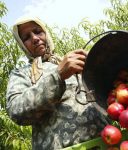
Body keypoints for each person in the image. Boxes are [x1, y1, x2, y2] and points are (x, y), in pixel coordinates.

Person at [6, 16, 108, 150]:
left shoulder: (71, 61)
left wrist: (97, 67)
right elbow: (16, 110)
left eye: (37, 31)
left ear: (46, 33)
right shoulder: (23, 73)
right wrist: (58, 76)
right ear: (22, 44)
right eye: (26, 37)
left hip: (105, 144)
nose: (35, 38)